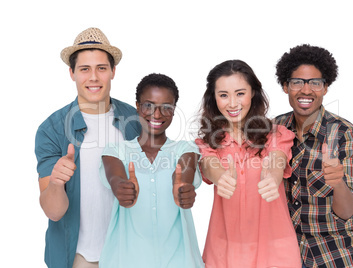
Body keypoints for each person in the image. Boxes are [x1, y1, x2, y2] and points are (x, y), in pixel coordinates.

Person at [35, 27, 141, 268]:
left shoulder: (135, 121)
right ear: (71, 73)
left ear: (113, 71)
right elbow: (54, 212)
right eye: (84, 69)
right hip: (77, 258)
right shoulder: (50, 130)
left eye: (101, 68)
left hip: (129, 253)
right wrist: (56, 183)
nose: (93, 77)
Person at [196, 60, 301, 268]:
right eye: (223, 95)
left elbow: (277, 159)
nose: (233, 103)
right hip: (225, 251)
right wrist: (221, 177)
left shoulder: (277, 134)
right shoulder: (208, 141)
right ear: (213, 98)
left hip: (276, 251)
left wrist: (272, 176)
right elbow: (209, 164)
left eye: (240, 93)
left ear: (253, 92)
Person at [274, 44, 353, 268]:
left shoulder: (344, 132)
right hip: (284, 256)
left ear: (325, 88)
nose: (306, 90)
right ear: (285, 86)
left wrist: (338, 183)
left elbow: (348, 212)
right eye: (297, 82)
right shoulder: (274, 129)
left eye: (315, 82)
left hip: (334, 256)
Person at [99, 73, 204, 268]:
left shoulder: (185, 148)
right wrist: (122, 188)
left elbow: (185, 170)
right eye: (149, 105)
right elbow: (115, 177)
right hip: (127, 262)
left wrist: (183, 187)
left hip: (179, 261)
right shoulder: (116, 151)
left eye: (166, 107)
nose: (157, 115)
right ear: (137, 106)